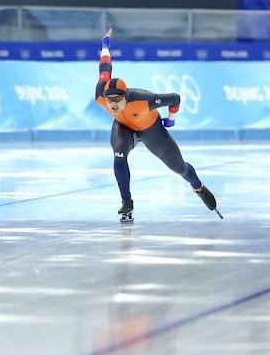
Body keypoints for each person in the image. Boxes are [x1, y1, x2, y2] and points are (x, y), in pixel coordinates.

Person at [94, 29, 219, 220]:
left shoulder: (145, 100)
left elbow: (175, 98)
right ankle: (126, 202)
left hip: (152, 130)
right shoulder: (100, 97)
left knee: (180, 168)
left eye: (117, 100)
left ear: (126, 96)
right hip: (125, 128)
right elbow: (105, 69)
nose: (112, 104)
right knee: (119, 153)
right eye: (109, 100)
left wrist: (171, 119)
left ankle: (199, 188)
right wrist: (105, 46)